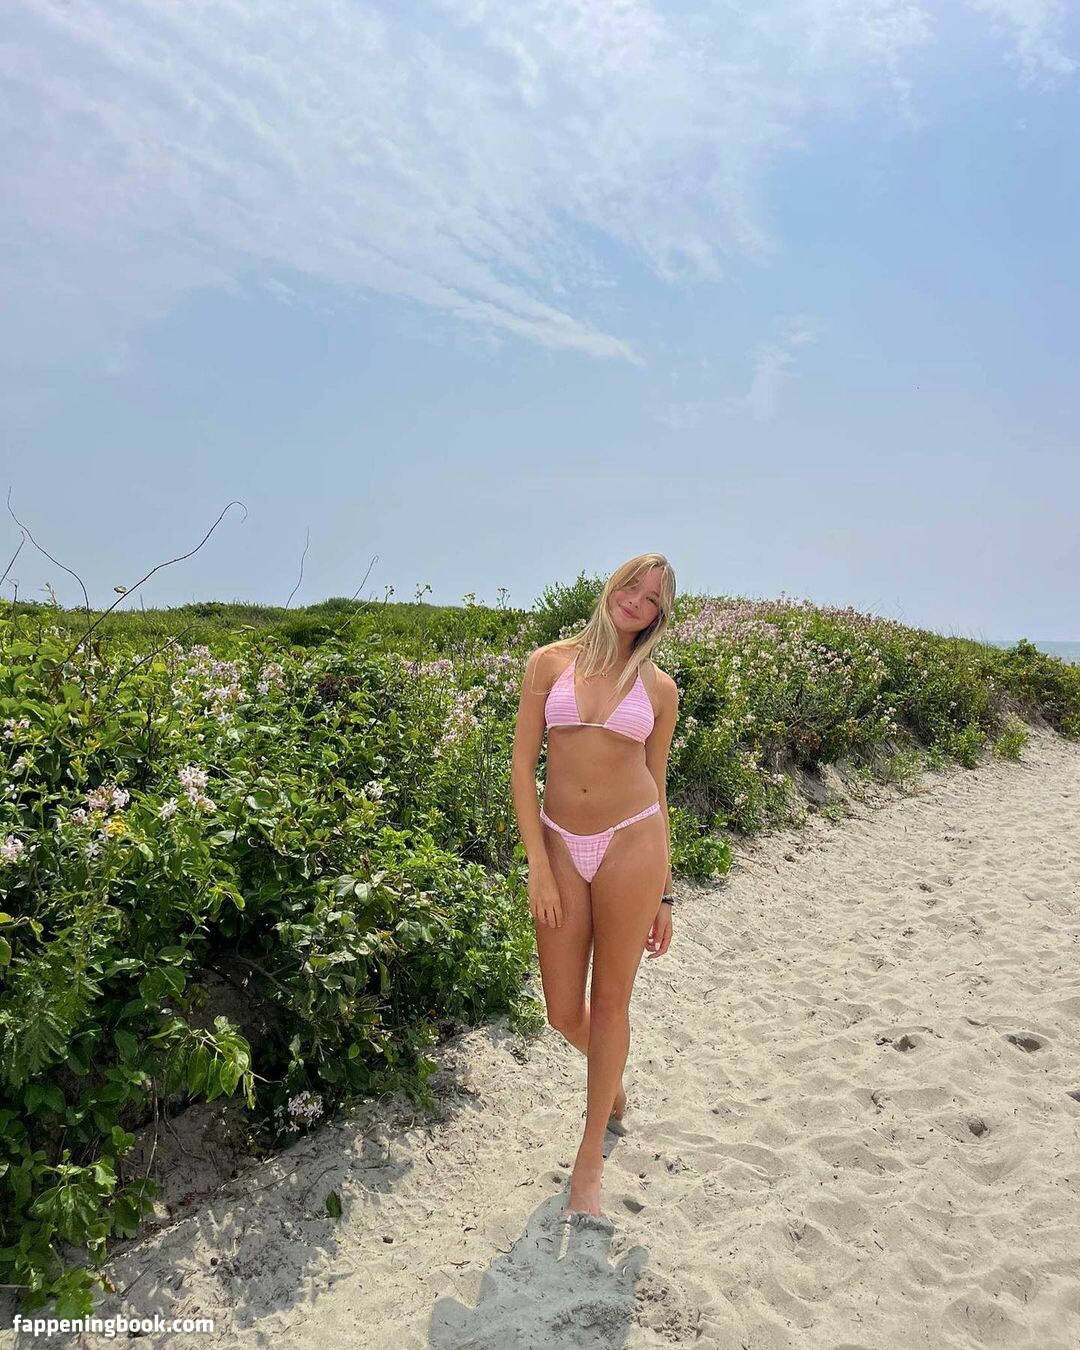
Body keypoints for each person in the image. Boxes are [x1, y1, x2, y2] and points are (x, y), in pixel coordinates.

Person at [511, 553, 679, 1219]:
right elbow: (523, 767)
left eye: (652, 598)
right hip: (559, 843)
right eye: (631, 586)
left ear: (659, 616)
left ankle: (588, 1165)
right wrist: (538, 865)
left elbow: (657, 787)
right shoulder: (548, 663)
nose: (636, 600)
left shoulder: (659, 689)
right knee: (561, 1011)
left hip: (633, 844)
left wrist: (665, 893)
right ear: (612, 587)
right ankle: (612, 1082)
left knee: (611, 1003)